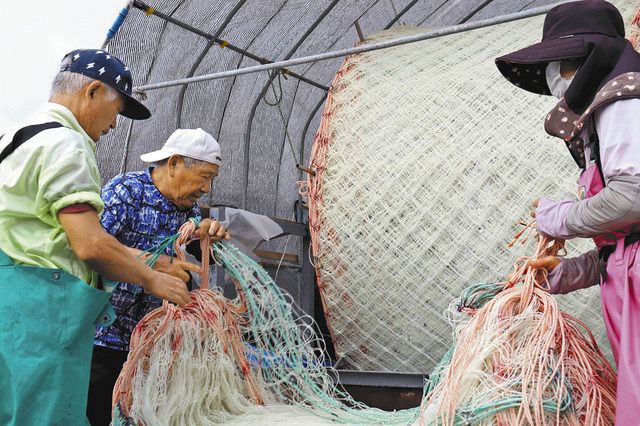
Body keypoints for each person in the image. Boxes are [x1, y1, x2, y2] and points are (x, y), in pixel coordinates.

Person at [0, 49, 191, 425]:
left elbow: (59, 233)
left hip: (13, 308)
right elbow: (88, 244)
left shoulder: (18, 135)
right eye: (117, 109)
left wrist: (155, 260)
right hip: (45, 311)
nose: (115, 125)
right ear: (91, 92)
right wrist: (153, 279)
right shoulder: (66, 145)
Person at [495, 1, 640, 424]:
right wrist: (569, 272)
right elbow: (628, 242)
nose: (556, 78)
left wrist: (561, 218)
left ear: (594, 60)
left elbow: (632, 198)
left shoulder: (624, 100)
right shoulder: (608, 110)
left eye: (565, 65)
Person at [88, 128, 230, 425]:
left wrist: (209, 236)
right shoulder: (126, 192)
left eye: (211, 180)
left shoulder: (186, 209)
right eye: (204, 177)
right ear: (175, 163)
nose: (206, 188)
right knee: (98, 412)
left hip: (152, 344)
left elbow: (196, 246)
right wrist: (157, 265)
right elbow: (94, 247)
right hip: (103, 336)